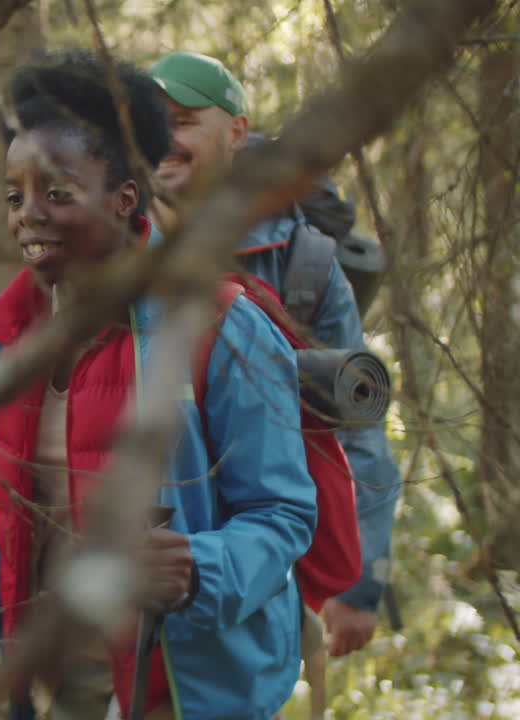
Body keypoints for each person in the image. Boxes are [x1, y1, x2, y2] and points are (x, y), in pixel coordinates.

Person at [0, 50, 316, 720]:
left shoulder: (219, 324)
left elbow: (283, 514)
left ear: (123, 199)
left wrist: (199, 567)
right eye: (14, 196)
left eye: (57, 192)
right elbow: (9, 490)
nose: (27, 215)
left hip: (184, 692)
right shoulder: (15, 336)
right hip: (54, 690)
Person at [147, 50, 404, 656]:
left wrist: (360, 583)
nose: (161, 140)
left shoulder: (302, 264)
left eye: (182, 121)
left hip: (256, 574)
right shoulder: (106, 241)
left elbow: (357, 427)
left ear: (237, 132)